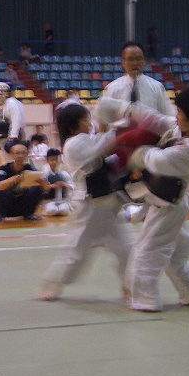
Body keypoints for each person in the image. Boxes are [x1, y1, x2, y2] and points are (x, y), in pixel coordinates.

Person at [120, 87, 189, 312]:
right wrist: (128, 109)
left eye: (180, 113)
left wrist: (139, 154)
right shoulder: (181, 129)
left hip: (168, 205)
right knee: (174, 253)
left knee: (148, 249)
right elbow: (157, 120)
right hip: (169, 202)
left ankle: (145, 299)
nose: (176, 116)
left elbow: (159, 162)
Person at [38, 102, 144, 301]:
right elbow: (105, 145)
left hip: (106, 202)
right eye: (85, 119)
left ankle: (129, 287)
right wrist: (125, 125)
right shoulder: (75, 143)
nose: (90, 123)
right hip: (89, 205)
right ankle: (53, 284)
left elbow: (107, 157)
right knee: (77, 251)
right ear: (73, 126)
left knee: (124, 248)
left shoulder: (86, 140)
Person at [101, 41, 175, 117]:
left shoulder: (157, 87)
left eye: (138, 59)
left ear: (144, 61)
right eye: (130, 59)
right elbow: (104, 120)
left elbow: (168, 116)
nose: (135, 63)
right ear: (123, 62)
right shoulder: (112, 88)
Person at [0, 140, 48, 221]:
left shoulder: (29, 168)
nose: (20, 156)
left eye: (23, 153)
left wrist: (42, 183)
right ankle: (1, 215)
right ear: (11, 155)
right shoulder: (3, 169)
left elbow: (45, 188)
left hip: (23, 204)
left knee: (38, 188)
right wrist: (12, 180)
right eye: (17, 153)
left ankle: (29, 214)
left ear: (27, 154)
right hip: (8, 205)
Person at [41, 148, 74, 217]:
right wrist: (52, 186)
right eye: (52, 160)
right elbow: (42, 188)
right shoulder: (45, 174)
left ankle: (62, 208)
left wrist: (65, 185)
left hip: (63, 200)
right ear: (47, 161)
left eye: (56, 160)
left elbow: (72, 186)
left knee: (63, 210)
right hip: (49, 200)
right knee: (52, 210)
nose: (54, 162)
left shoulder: (64, 173)